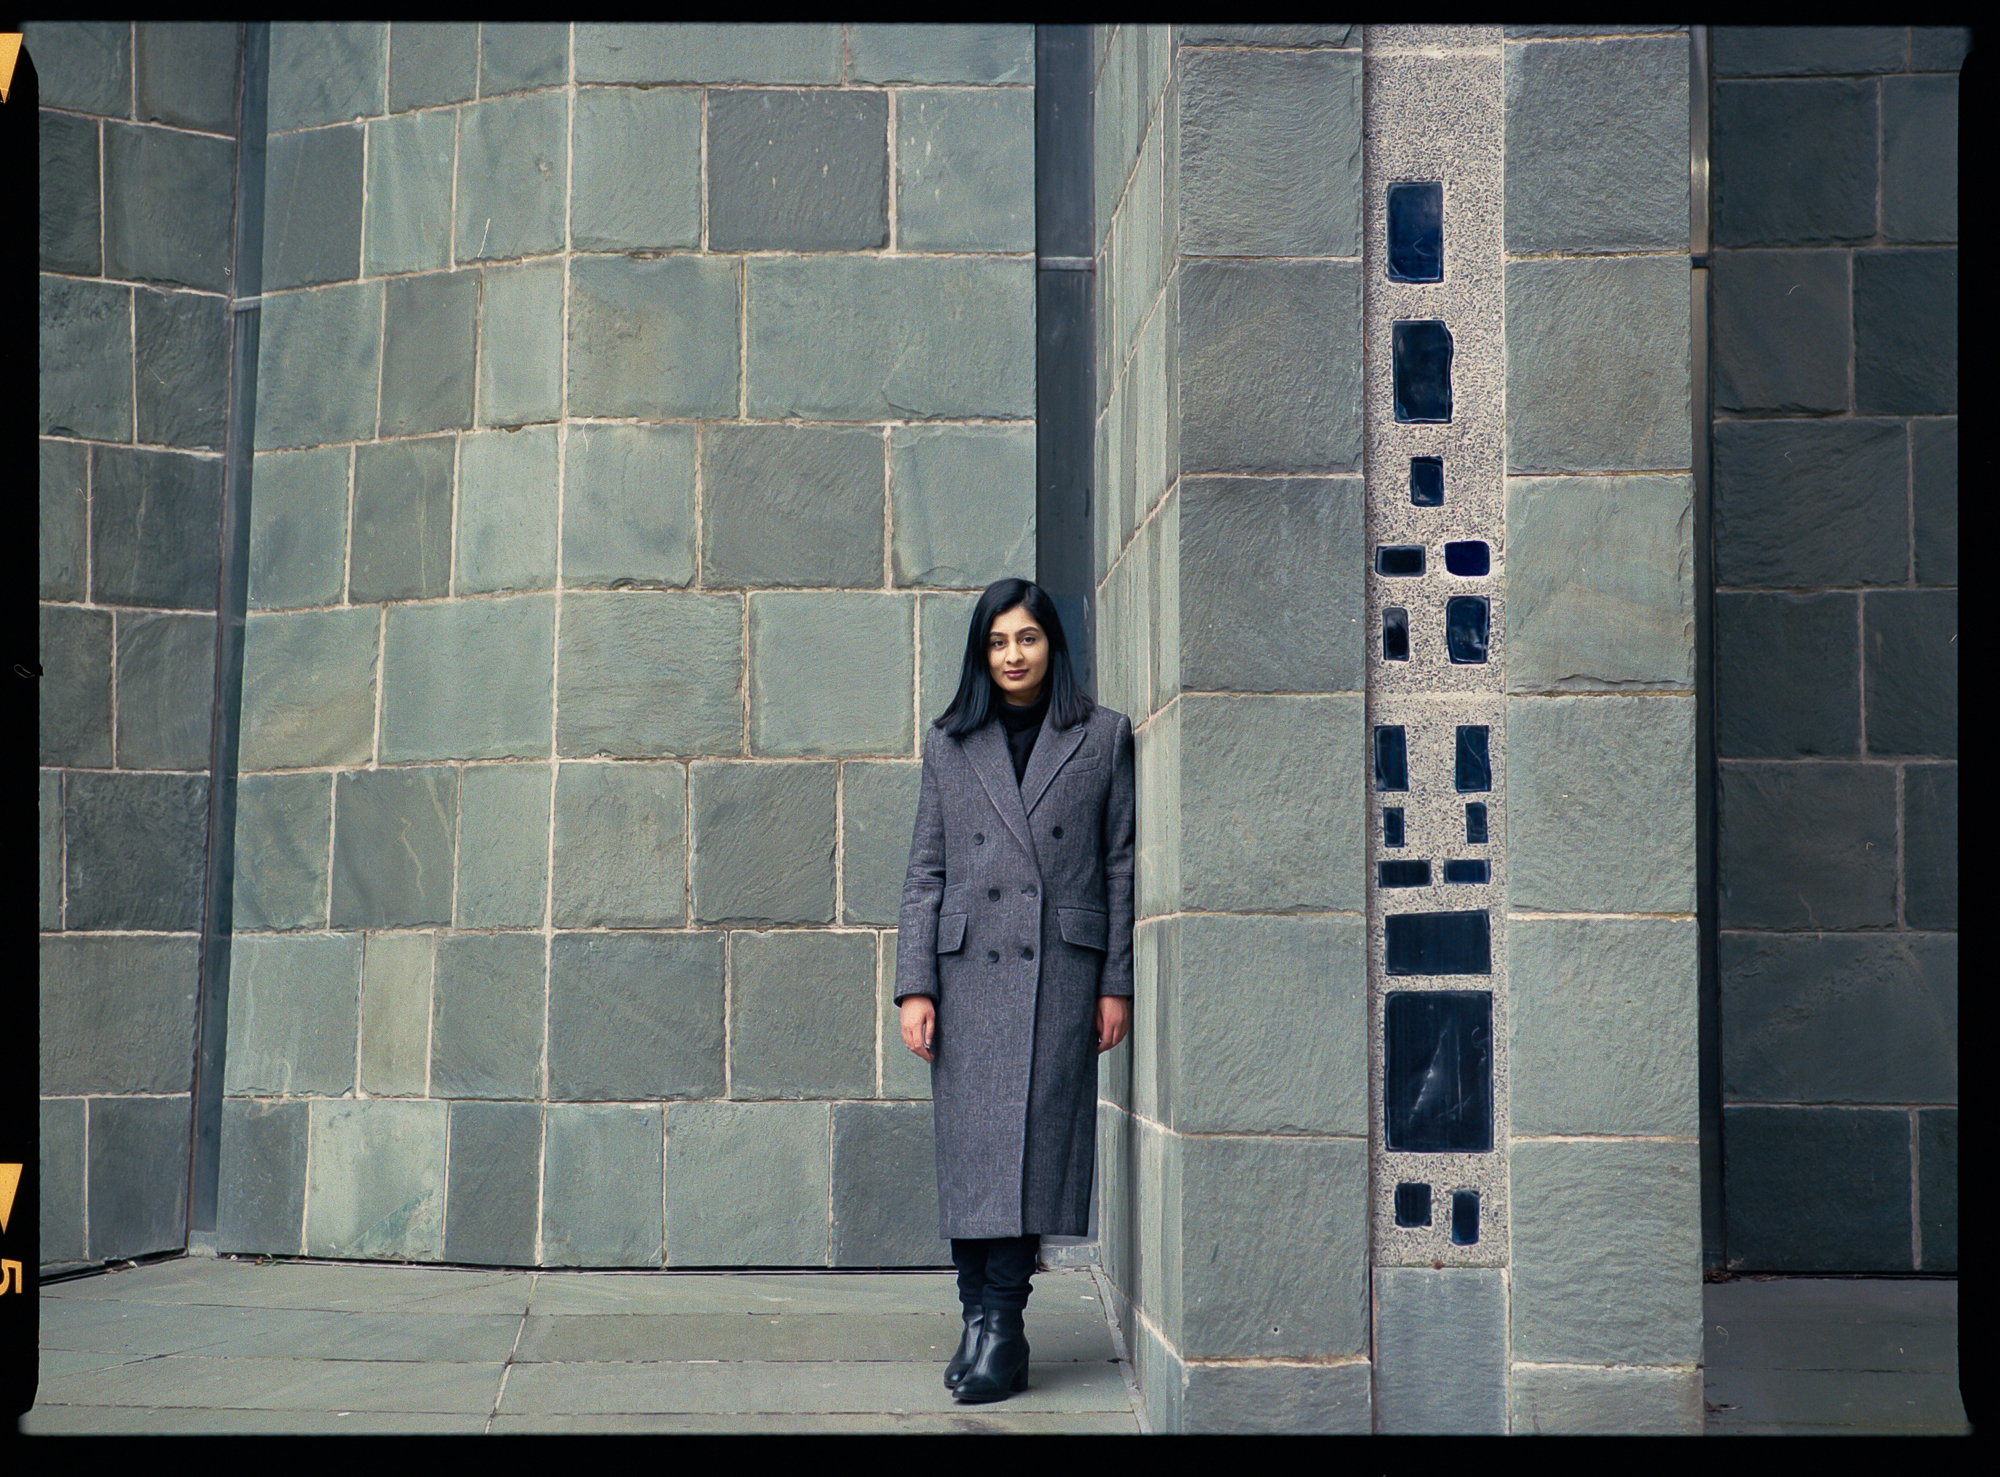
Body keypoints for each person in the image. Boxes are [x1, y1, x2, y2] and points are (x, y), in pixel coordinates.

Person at [894, 577, 1134, 1405]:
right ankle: (975, 1318)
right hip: (966, 976)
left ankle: (1005, 1324)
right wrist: (912, 985)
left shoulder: (1102, 736)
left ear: (1051, 645)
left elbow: (1119, 866)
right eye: (998, 642)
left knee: (1028, 1150)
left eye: (1026, 638)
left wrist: (1116, 982)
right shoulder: (950, 741)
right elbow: (925, 870)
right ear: (981, 652)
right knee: (973, 1154)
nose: (1012, 655)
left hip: (1060, 972)